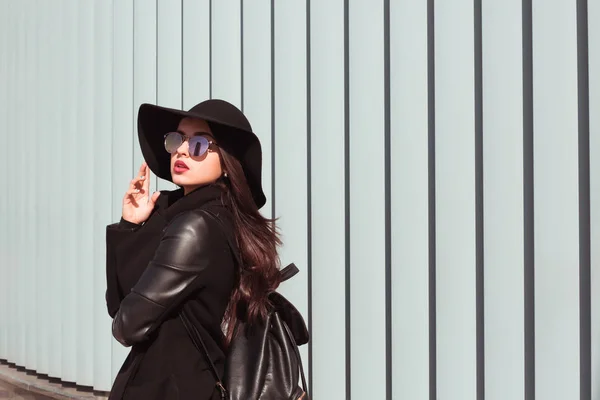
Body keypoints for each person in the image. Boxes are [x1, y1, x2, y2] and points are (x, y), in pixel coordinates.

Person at [105, 99, 282, 399]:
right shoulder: (199, 218)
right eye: (177, 139)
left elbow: (126, 326)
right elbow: (119, 306)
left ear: (227, 162)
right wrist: (130, 226)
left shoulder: (195, 227)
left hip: (168, 388)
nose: (182, 150)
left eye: (200, 143)